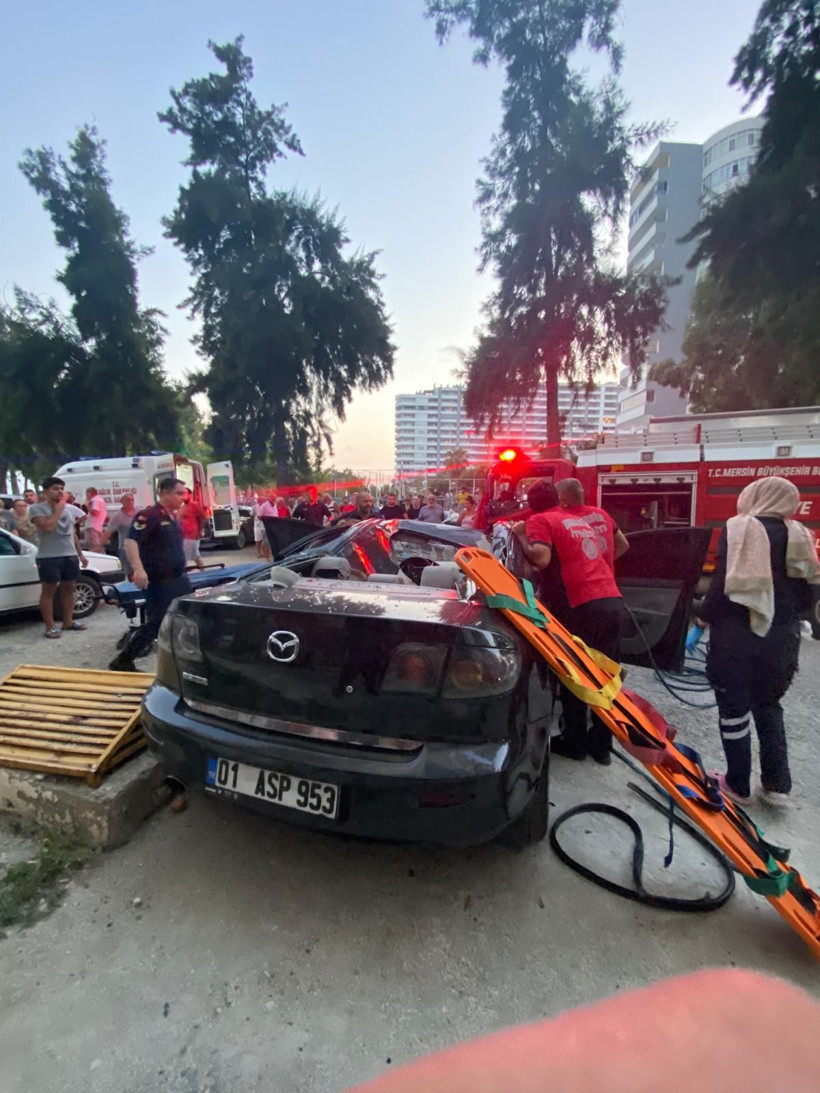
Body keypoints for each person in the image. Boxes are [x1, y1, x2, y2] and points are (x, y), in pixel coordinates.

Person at [699, 476, 819, 805]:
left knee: (734, 706)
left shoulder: (739, 528)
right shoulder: (800, 534)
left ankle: (737, 784)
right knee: (768, 705)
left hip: (739, 635)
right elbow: (809, 591)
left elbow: (723, 582)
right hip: (783, 637)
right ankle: (777, 786)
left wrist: (704, 615)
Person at [512, 479, 624, 764]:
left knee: (574, 673)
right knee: (604, 678)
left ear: (531, 504)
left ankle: (574, 742)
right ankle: (601, 746)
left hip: (581, 604)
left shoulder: (540, 520)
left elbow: (542, 558)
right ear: (557, 499)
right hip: (611, 598)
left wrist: (521, 535)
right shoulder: (574, 519)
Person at [108, 477, 192, 672]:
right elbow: (131, 542)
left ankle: (181, 656)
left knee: (186, 615)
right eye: (179, 493)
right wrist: (138, 569)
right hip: (160, 581)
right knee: (158, 621)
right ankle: (124, 659)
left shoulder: (171, 516)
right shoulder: (149, 515)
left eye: (183, 493)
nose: (183, 497)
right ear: (163, 492)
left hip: (179, 578)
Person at [28, 476, 89, 638]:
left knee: (69, 589)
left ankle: (68, 621)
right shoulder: (37, 509)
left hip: (69, 555)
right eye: (55, 489)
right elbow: (48, 527)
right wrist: (59, 509)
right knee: (48, 591)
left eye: (62, 488)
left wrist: (80, 554)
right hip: (49, 556)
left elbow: (71, 534)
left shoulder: (68, 509)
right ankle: (50, 626)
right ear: (46, 491)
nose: (60, 492)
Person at [556, 478, 629, 567]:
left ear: (563, 500)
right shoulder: (602, 514)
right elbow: (623, 544)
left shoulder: (565, 520)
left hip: (582, 578)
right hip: (607, 577)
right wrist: (603, 562)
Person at [102, 494, 137, 577]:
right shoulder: (117, 516)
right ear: (122, 502)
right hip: (125, 549)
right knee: (129, 573)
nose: (130, 502)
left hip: (139, 548)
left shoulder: (138, 512)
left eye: (132, 500)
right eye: (127, 500)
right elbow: (107, 532)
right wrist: (99, 546)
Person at [179, 488, 207, 570]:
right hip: (184, 535)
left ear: (189, 494)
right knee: (195, 556)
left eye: (184, 494)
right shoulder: (182, 507)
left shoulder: (194, 505)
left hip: (191, 535)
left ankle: (183, 574)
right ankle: (204, 572)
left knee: (185, 556)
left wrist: (200, 528)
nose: (182, 496)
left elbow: (205, 517)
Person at [84, 487, 107, 552]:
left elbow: (95, 512)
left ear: (89, 493)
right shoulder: (100, 499)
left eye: (87, 495)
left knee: (94, 548)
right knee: (98, 546)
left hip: (92, 527)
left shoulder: (95, 500)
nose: (86, 497)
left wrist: (87, 506)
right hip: (97, 527)